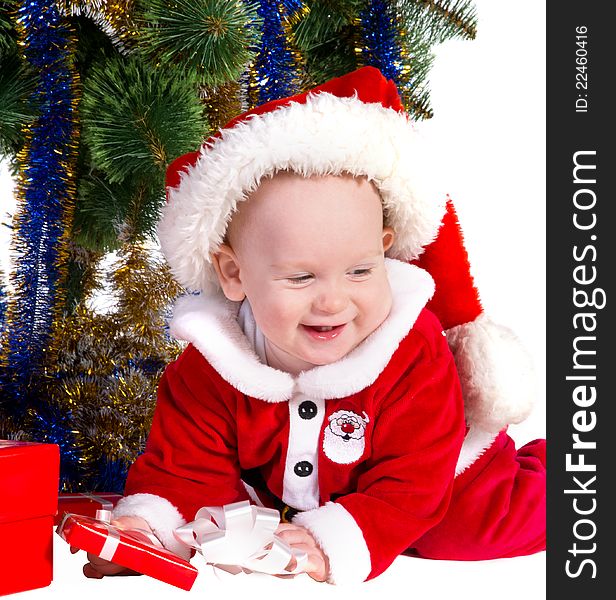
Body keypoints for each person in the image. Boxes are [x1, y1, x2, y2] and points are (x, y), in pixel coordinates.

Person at [78, 67, 545, 585]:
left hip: (438, 472)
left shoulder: (411, 353)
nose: (334, 301)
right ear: (234, 274)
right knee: (225, 519)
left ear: (385, 249)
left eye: (361, 271)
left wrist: (334, 540)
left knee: (468, 529)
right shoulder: (211, 366)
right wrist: (149, 528)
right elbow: (185, 466)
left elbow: (412, 482)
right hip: (301, 491)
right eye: (301, 277)